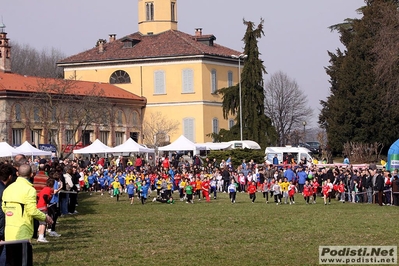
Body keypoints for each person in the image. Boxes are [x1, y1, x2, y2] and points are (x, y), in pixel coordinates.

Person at [36, 178, 55, 243]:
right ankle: (41, 237)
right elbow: (45, 196)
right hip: (43, 207)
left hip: (38, 206)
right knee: (44, 222)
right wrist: (47, 202)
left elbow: (38, 196)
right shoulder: (48, 189)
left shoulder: (43, 189)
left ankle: (39, 235)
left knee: (40, 222)